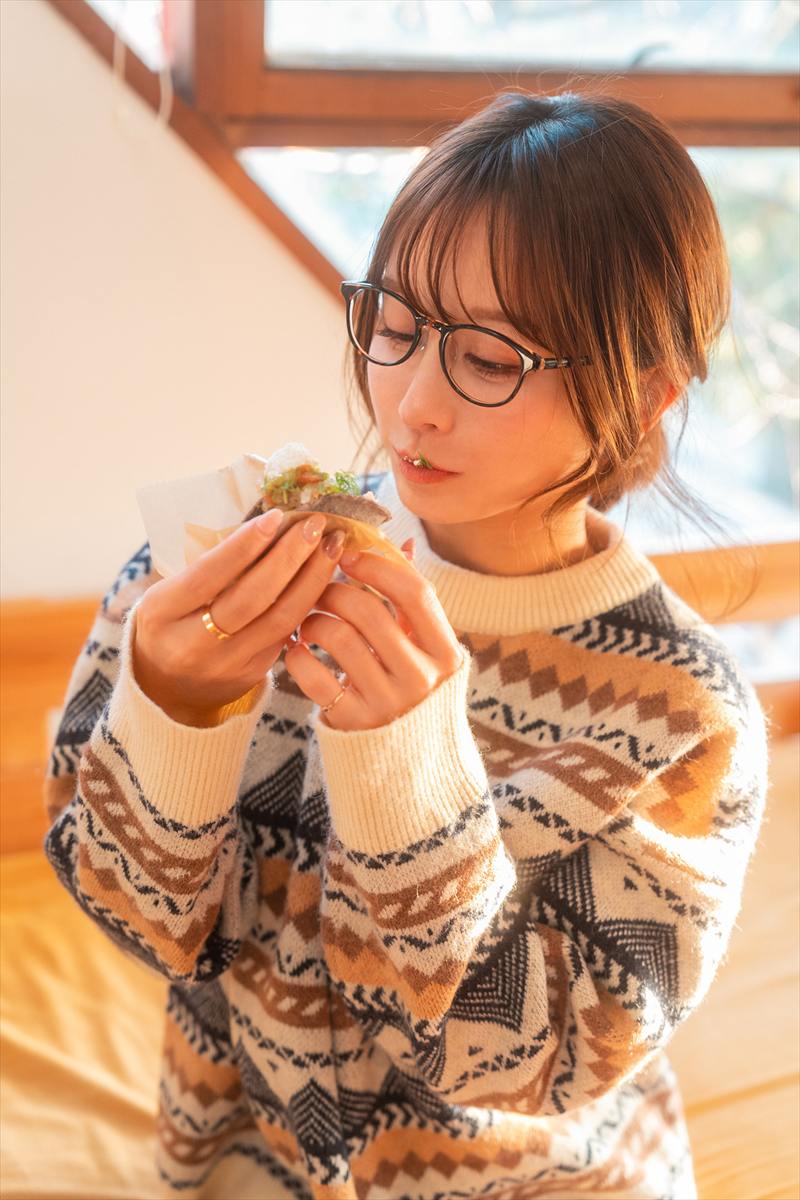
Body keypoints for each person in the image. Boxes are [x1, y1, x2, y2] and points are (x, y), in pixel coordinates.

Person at [43, 89, 768, 1200]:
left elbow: (539, 1066)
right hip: (243, 1168)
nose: (414, 403)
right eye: (395, 325)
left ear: (641, 394)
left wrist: (407, 778)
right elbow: (134, 921)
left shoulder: (684, 716)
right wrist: (175, 702)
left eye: (491, 357)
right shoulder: (217, 566)